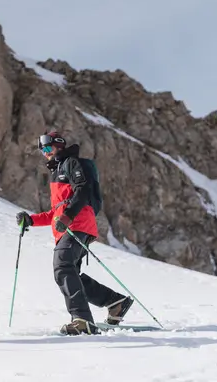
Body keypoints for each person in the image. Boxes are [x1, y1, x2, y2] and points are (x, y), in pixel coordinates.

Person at [16, 131, 133, 335]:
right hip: (69, 227)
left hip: (78, 225)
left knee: (62, 267)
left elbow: (84, 189)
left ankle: (82, 320)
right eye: (41, 150)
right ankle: (115, 302)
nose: (44, 153)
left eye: (47, 147)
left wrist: (68, 217)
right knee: (71, 273)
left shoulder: (71, 163)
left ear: (59, 145)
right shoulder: (57, 172)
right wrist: (31, 220)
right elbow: (55, 212)